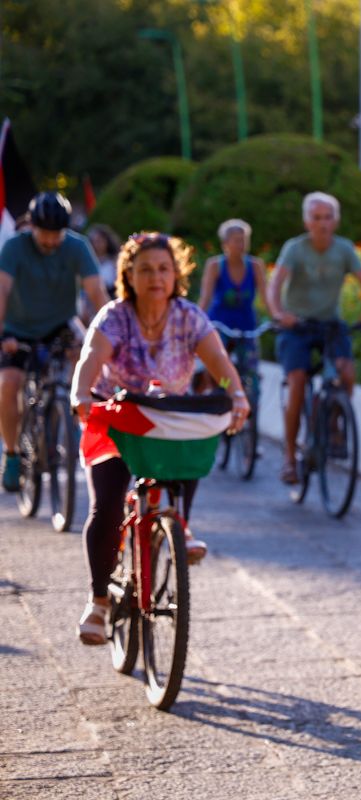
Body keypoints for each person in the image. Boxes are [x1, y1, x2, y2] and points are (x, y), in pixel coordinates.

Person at [70, 232, 250, 646]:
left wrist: (236, 393)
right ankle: (99, 600)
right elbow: (90, 360)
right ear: (128, 275)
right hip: (118, 419)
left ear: (176, 275)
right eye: (145, 269)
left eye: (164, 269)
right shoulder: (114, 316)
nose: (155, 277)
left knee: (192, 446)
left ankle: (179, 523)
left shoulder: (188, 317)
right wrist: (80, 394)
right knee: (108, 506)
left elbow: (219, 363)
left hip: (169, 421)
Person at [266, 192, 361, 484]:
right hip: (297, 326)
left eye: (328, 217)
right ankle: (290, 457)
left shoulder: (343, 249)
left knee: (346, 373)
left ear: (336, 221)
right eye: (316, 218)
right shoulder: (295, 249)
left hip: (329, 324)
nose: (322, 223)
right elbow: (275, 285)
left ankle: (332, 422)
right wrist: (279, 312)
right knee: (297, 381)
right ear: (307, 221)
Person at [0, 192, 109, 491]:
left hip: (60, 322)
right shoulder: (14, 248)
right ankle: (11, 454)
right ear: (32, 227)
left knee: (86, 351)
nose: (50, 240)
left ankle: (73, 413)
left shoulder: (76, 246)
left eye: (56, 234)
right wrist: (2, 334)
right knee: (10, 383)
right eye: (44, 233)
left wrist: (114, 333)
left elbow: (97, 292)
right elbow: (2, 291)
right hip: (18, 327)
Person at [196, 219, 267, 391]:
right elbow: (205, 298)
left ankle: (251, 402)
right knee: (219, 367)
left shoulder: (255, 266)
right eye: (236, 240)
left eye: (244, 240)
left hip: (247, 325)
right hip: (220, 324)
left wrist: (278, 317)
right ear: (225, 243)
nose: (241, 244)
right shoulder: (215, 266)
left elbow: (266, 298)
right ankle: (221, 390)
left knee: (251, 370)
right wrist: (195, 319)